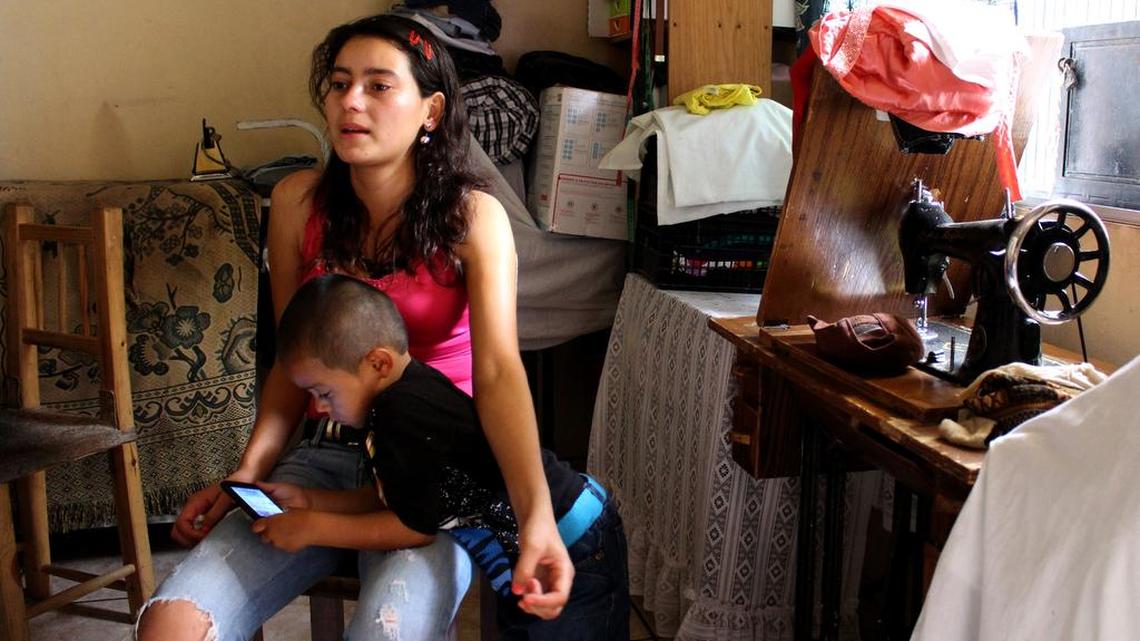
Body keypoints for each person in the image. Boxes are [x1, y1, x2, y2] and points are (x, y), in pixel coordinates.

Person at [137, 14, 572, 641]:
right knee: (171, 626)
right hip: (322, 458)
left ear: (431, 110)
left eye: (378, 85)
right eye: (340, 84)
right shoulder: (296, 204)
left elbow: (501, 374)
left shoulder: (475, 218)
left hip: (430, 475)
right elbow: (294, 364)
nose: (351, 102)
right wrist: (248, 473)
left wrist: (536, 520)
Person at [258, 274, 629, 639]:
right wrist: (312, 500)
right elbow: (398, 497)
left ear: (378, 364)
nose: (320, 408)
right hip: (538, 547)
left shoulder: (403, 413)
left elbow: (413, 528)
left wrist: (313, 528)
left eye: (324, 392)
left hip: (573, 542)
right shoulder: (390, 405)